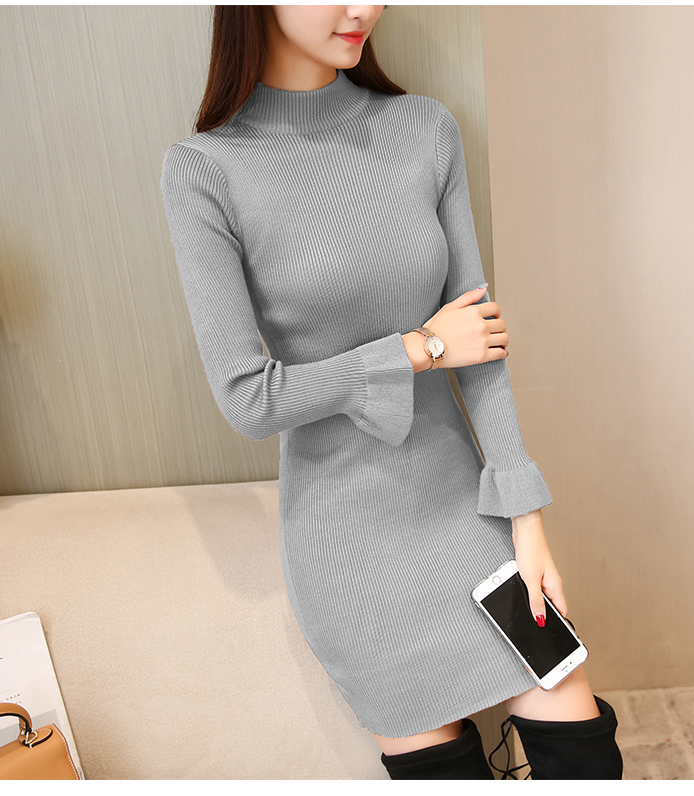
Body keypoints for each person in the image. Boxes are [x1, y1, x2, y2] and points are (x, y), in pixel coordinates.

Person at [160, 5, 623, 780]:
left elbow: (480, 345)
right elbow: (249, 399)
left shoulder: (425, 130)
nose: (364, 8)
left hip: (464, 513)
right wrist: (419, 349)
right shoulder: (204, 170)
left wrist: (526, 521)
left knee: (584, 755)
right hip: (348, 546)